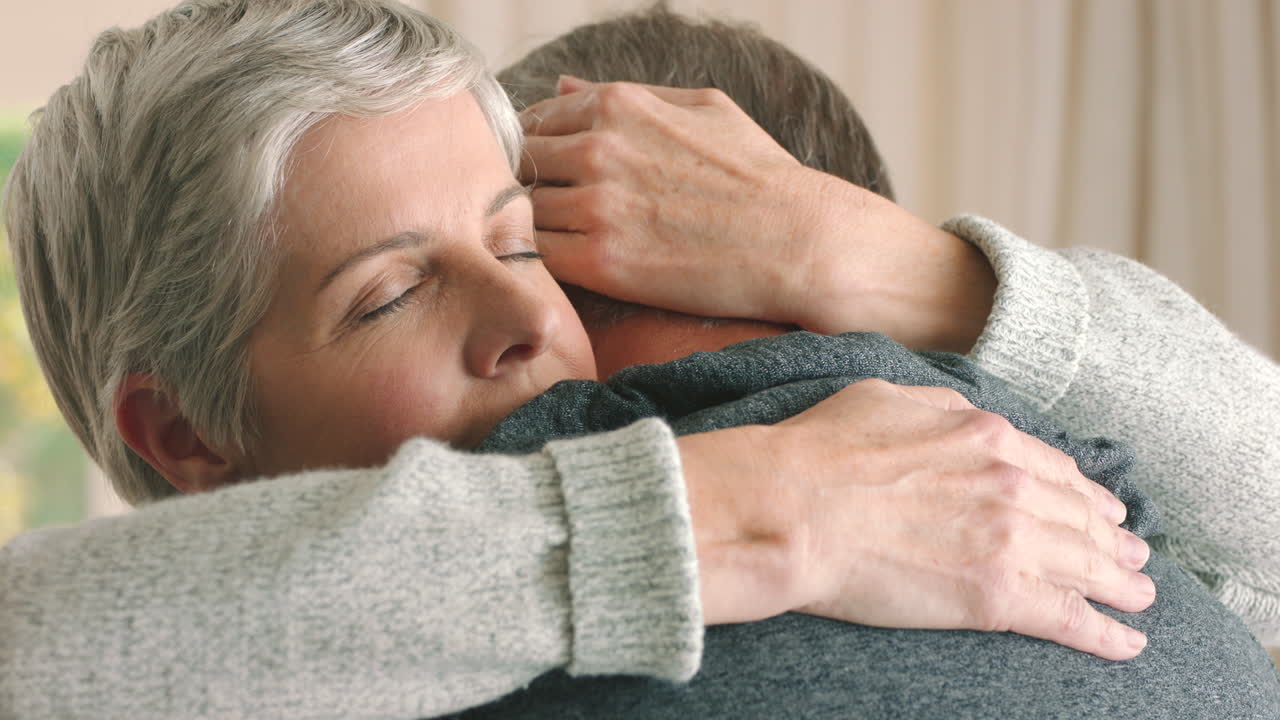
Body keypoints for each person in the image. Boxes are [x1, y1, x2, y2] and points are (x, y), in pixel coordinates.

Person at [0, 1, 1275, 718]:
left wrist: (884, 261)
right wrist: (742, 512)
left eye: (525, 244)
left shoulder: (1030, 513)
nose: (538, 324)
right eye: (387, 291)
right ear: (179, 436)